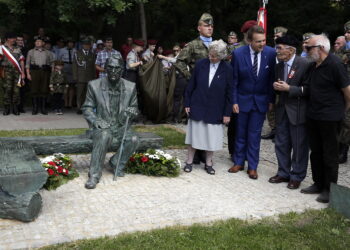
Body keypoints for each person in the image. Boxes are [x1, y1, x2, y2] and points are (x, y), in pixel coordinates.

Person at [300, 34, 350, 203]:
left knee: (330, 154)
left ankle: (330, 189)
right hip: (313, 115)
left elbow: (347, 91)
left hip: (330, 117)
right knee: (315, 152)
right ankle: (318, 183)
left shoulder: (335, 64)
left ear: (320, 48)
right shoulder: (313, 66)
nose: (306, 50)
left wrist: (342, 110)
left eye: (309, 48)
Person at [82, 54, 139, 189]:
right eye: (111, 68)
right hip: (101, 127)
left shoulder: (130, 87)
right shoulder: (94, 85)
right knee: (104, 135)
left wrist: (131, 113)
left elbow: (135, 108)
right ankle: (94, 175)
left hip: (120, 126)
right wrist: (96, 121)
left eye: (117, 68)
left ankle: (115, 163)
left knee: (134, 139)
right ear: (106, 69)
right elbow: (87, 108)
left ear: (122, 70)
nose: (114, 71)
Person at [228, 25, 276, 180]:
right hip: (242, 100)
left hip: (260, 102)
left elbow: (271, 79)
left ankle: (253, 167)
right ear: (249, 41)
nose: (262, 44)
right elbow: (234, 80)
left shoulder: (270, 53)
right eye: (258, 42)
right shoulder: (238, 53)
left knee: (254, 135)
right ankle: (239, 162)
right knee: (240, 133)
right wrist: (234, 100)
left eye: (263, 41)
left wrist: (270, 100)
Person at [268, 35, 311, 189]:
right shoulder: (279, 65)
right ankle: (283, 173)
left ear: (291, 50)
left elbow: (310, 89)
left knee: (299, 146)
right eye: (276, 47)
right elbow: (281, 88)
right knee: (281, 143)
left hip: (299, 111)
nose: (276, 51)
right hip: (282, 110)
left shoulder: (305, 64)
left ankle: (297, 176)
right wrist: (277, 88)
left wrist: (289, 89)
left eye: (279, 48)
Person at [183, 40, 232, 175]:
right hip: (198, 103)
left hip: (216, 107)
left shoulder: (227, 69)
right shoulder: (201, 64)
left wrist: (227, 113)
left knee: (212, 137)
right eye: (210, 54)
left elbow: (230, 92)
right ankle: (189, 161)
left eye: (214, 56)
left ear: (221, 56)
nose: (211, 57)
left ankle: (209, 162)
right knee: (194, 135)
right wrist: (187, 103)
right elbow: (191, 85)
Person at [174, 12, 214, 164]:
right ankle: (196, 153)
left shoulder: (216, 45)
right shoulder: (192, 45)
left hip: (213, 90)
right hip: (198, 89)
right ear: (199, 28)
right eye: (206, 26)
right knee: (197, 120)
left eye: (211, 26)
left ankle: (205, 151)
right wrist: (191, 77)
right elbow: (179, 62)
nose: (209, 28)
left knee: (209, 120)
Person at [227, 20, 256, 159]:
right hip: (236, 92)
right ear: (245, 34)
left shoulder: (260, 48)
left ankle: (246, 153)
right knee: (235, 125)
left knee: (250, 127)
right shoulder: (235, 49)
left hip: (252, 94)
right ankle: (234, 152)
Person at [261, 26, 288, 141]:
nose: (275, 37)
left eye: (278, 36)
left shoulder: (286, 50)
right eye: (274, 36)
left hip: (283, 82)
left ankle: (280, 131)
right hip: (271, 82)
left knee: (280, 107)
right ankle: (273, 129)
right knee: (270, 107)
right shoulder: (272, 50)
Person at [26, 36, 54, 115]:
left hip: (45, 72)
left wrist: (52, 74)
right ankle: (35, 108)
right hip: (34, 71)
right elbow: (27, 64)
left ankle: (43, 108)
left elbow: (52, 63)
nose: (37, 43)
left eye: (39, 41)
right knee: (34, 90)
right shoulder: (31, 52)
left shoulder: (48, 52)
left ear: (43, 43)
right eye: (36, 41)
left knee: (44, 89)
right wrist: (28, 74)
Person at [0, 32, 25, 116]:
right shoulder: (2, 48)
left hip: (17, 72)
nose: (14, 40)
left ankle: (15, 108)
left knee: (16, 90)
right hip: (6, 71)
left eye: (14, 38)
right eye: (13, 38)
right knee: (7, 90)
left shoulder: (18, 48)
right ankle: (6, 108)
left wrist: (23, 72)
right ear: (8, 39)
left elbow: (21, 60)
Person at [72, 37, 96, 114]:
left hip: (89, 77)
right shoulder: (77, 53)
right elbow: (75, 66)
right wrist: (75, 76)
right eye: (85, 44)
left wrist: (94, 77)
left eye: (88, 45)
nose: (86, 46)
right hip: (80, 77)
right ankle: (79, 108)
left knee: (87, 94)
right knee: (79, 94)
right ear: (82, 45)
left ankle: (86, 108)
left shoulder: (92, 55)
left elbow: (93, 67)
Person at [58, 37, 76, 109]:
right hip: (64, 66)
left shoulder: (75, 51)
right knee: (65, 86)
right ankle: (65, 103)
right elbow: (58, 60)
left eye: (72, 43)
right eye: (69, 43)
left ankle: (70, 103)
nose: (70, 44)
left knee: (72, 86)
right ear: (67, 43)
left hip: (72, 67)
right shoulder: (61, 50)